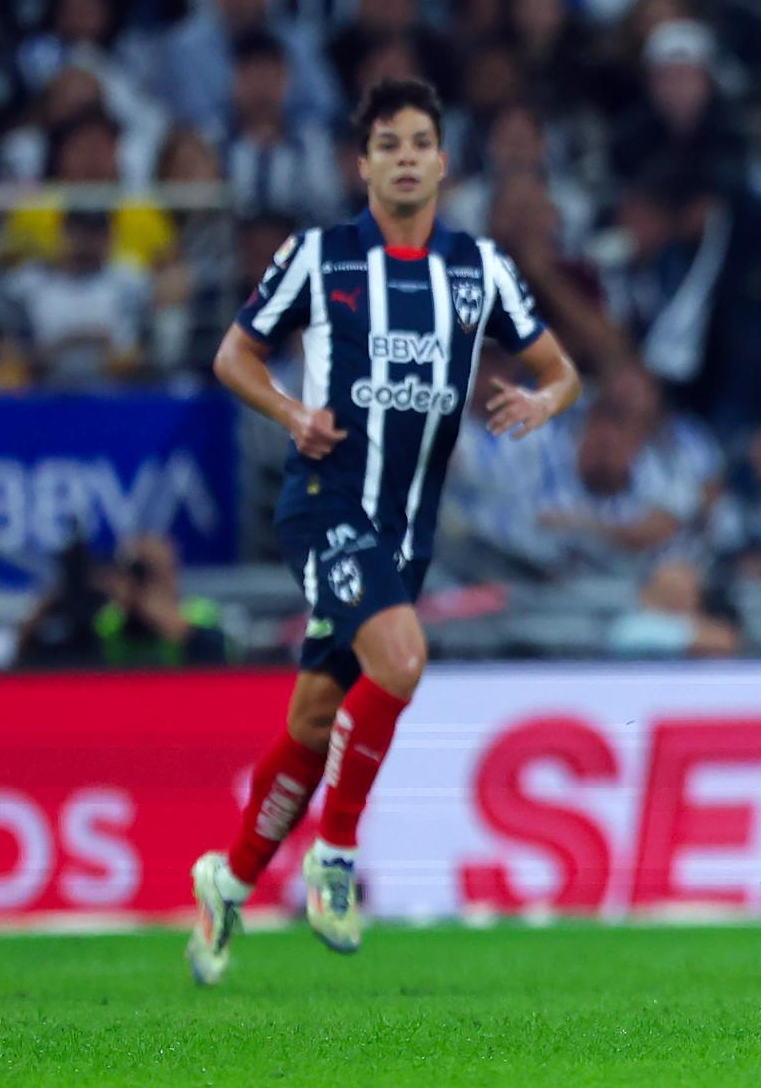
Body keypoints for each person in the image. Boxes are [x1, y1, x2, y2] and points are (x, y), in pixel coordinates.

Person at [185, 78, 580, 984]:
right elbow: (233, 353)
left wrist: (539, 398)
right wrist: (290, 413)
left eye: (420, 142)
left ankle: (231, 879)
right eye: (387, 144)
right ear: (361, 165)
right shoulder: (319, 258)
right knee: (402, 659)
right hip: (326, 505)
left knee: (316, 716)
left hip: (408, 533)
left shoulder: (478, 268)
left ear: (443, 161)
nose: (405, 157)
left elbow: (562, 373)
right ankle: (336, 858)